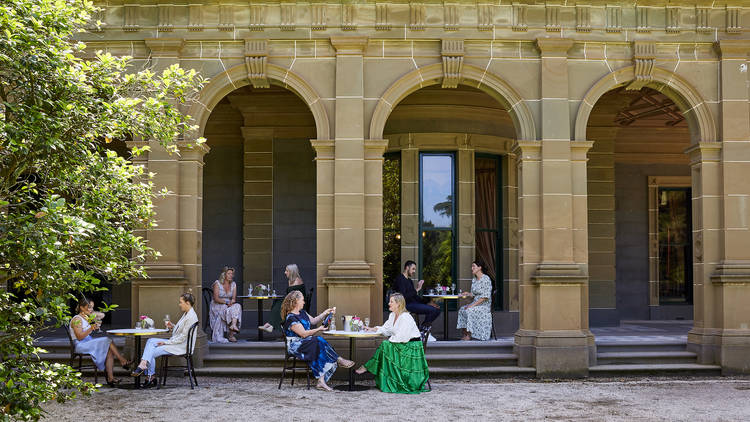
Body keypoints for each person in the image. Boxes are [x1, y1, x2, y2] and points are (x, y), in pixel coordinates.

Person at [355, 293, 429, 394]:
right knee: (385, 346)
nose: (389, 303)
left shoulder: (405, 317)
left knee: (385, 345)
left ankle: (367, 367)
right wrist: (372, 329)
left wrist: (389, 343)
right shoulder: (393, 315)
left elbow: (403, 337)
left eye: (391, 302)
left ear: (398, 304)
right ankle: (368, 367)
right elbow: (386, 329)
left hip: (411, 347)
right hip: (402, 345)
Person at [281, 290, 354, 391]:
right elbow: (303, 334)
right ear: (296, 301)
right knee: (317, 341)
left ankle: (321, 381)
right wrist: (319, 329)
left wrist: (325, 313)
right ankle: (338, 359)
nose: (304, 302)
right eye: (302, 300)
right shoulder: (291, 318)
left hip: (306, 342)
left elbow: (314, 320)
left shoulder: (302, 312)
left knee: (317, 345)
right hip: (296, 345)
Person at [131, 292, 199, 387]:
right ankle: (145, 366)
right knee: (150, 341)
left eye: (181, 302)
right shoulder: (186, 314)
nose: (179, 305)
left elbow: (183, 337)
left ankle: (150, 376)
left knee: (151, 351)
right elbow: (181, 332)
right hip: (177, 343)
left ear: (187, 303)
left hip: (181, 347)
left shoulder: (191, 316)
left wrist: (165, 342)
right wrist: (173, 326)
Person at [69, 297, 132, 387]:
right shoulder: (77, 319)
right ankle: (122, 360)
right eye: (89, 307)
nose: (91, 310)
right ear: (82, 307)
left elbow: (102, 315)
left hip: (88, 342)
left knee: (109, 350)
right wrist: (91, 328)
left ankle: (111, 378)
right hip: (81, 345)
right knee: (107, 340)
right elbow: (79, 337)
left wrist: (92, 319)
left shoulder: (85, 317)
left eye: (92, 307)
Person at [392, 260, 440, 329]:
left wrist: (427, 303)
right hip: (405, 305)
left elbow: (415, 297)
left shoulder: (409, 281)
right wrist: (417, 289)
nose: (414, 271)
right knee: (433, 310)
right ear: (407, 268)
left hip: (413, 303)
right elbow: (403, 297)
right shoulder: (400, 279)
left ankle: (423, 329)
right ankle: (423, 330)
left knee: (436, 309)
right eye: (413, 269)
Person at [259, 264, 306, 334]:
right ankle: (271, 325)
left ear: (292, 271)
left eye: (287, 271)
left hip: (297, 303)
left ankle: (270, 325)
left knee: (279, 305)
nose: (285, 272)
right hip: (291, 301)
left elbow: (295, 296)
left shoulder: (297, 281)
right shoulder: (291, 281)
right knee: (277, 302)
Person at [456, 260, 492, 341]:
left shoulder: (486, 279)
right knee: (462, 309)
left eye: (473, 266)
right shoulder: (474, 279)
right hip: (475, 304)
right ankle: (465, 333)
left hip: (484, 306)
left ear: (479, 268)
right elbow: (474, 294)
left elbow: (485, 297)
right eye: (471, 266)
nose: (471, 268)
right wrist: (467, 294)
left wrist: (472, 305)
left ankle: (469, 335)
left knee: (469, 310)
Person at [209, 266, 241, 342]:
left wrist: (231, 302)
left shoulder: (233, 284)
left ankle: (233, 326)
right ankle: (230, 334)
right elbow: (216, 298)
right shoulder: (217, 283)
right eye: (229, 273)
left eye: (232, 274)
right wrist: (226, 302)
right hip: (217, 304)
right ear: (224, 274)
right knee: (225, 308)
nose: (231, 275)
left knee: (237, 306)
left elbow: (233, 298)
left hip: (228, 304)